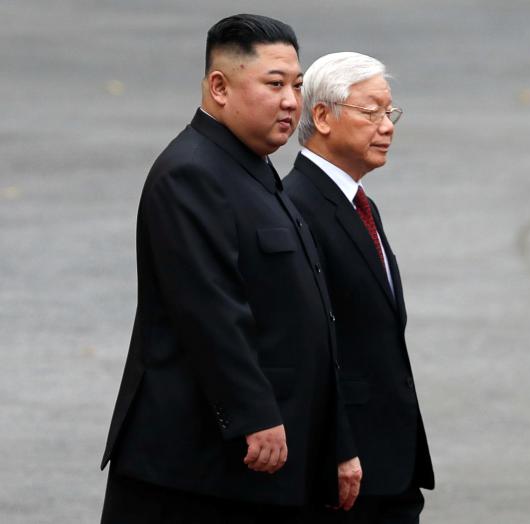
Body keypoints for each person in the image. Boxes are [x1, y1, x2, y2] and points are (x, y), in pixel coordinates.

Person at [100, 15, 356, 523]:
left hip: (261, 463)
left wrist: (335, 439)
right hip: (195, 470)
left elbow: (306, 318)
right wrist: (254, 413)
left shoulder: (254, 168)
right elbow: (209, 307)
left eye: (298, 86)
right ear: (219, 86)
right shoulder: (192, 172)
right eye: (275, 84)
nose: (291, 101)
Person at [283, 52, 435, 524]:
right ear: (323, 117)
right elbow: (303, 347)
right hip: (346, 472)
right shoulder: (297, 208)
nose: (387, 126)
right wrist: (337, 446)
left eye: (390, 113)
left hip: (388, 461)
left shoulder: (356, 203)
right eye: (371, 112)